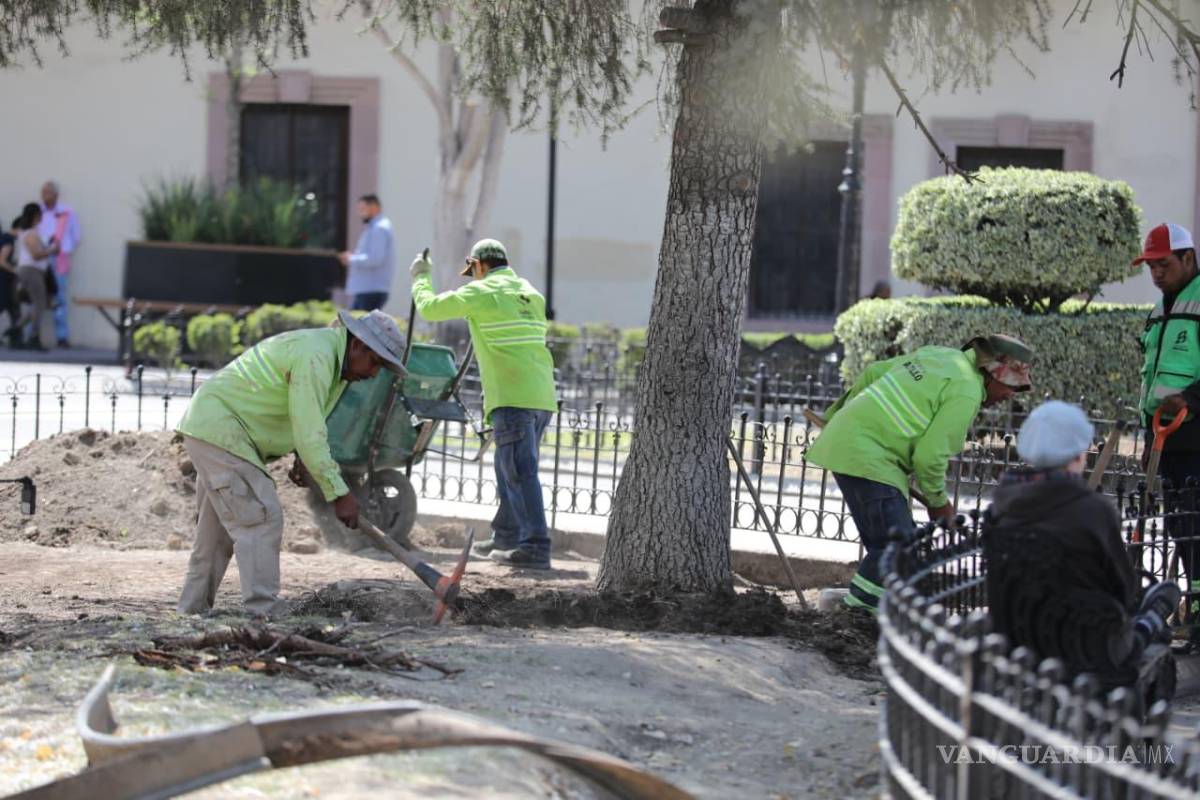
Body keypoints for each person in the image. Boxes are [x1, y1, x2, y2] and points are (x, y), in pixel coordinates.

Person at [175, 310, 408, 617]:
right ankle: (264, 612)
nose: (374, 373)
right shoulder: (318, 357)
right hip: (222, 430)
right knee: (261, 517)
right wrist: (339, 493)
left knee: (216, 535)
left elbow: (304, 418)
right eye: (375, 362)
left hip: (213, 428)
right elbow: (311, 434)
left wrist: (302, 456)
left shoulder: (333, 361)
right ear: (358, 345)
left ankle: (191, 613)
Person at [806, 334, 1034, 613]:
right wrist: (938, 503)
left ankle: (866, 610)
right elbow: (929, 457)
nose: (1011, 394)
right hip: (872, 459)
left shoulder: (939, 354)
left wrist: (838, 417)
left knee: (891, 547)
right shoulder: (967, 391)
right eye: (1011, 385)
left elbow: (873, 372)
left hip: (851, 447)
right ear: (993, 373)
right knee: (900, 547)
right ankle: (855, 616)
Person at [983, 401, 1180, 690]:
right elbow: (1123, 588)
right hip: (1090, 648)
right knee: (1149, 615)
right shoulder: (1093, 511)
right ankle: (1149, 622)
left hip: (1020, 643)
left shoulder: (1000, 509)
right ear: (1078, 454)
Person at [410, 239, 559, 569]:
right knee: (508, 469)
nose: (473, 277)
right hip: (541, 396)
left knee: (519, 472)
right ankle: (506, 536)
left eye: (473, 271)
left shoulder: (482, 292)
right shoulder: (530, 293)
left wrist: (420, 276)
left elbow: (430, 309)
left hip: (512, 396)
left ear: (478, 265)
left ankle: (535, 547)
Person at [1135, 222, 1200, 650]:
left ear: (1188, 259)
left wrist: (1191, 400)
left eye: (1164, 264)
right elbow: (1150, 381)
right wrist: (1148, 439)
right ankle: (1193, 611)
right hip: (1167, 441)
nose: (1156, 274)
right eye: (1151, 267)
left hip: (1196, 440)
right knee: (1182, 529)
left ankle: (1197, 615)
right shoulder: (1159, 310)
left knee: (1196, 530)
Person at [9, 203, 57, 351]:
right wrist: (52, 250)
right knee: (39, 304)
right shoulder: (30, 234)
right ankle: (33, 337)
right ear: (36, 216)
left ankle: (16, 330)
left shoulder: (31, 232)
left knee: (38, 304)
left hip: (34, 271)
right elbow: (36, 255)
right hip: (31, 271)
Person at [38, 181, 80, 348]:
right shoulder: (37, 211)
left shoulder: (66, 212)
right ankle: (31, 334)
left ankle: (62, 337)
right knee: (35, 295)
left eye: (48, 192)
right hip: (40, 257)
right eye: (43, 192)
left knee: (59, 297)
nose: (45, 195)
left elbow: (76, 236)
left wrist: (64, 250)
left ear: (56, 194)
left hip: (59, 258)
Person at [339, 194, 395, 312]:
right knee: (356, 322)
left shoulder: (379, 228)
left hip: (371, 291)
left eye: (362, 209)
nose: (360, 213)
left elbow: (375, 258)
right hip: (368, 290)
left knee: (358, 323)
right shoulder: (375, 227)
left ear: (374, 207)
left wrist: (351, 259)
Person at [0, 220, 20, 344]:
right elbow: (2, 261)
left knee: (12, 308)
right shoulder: (7, 239)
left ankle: (15, 337)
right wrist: (15, 270)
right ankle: (15, 338)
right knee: (11, 307)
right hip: (4, 279)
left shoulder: (4, 238)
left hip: (5, 279)